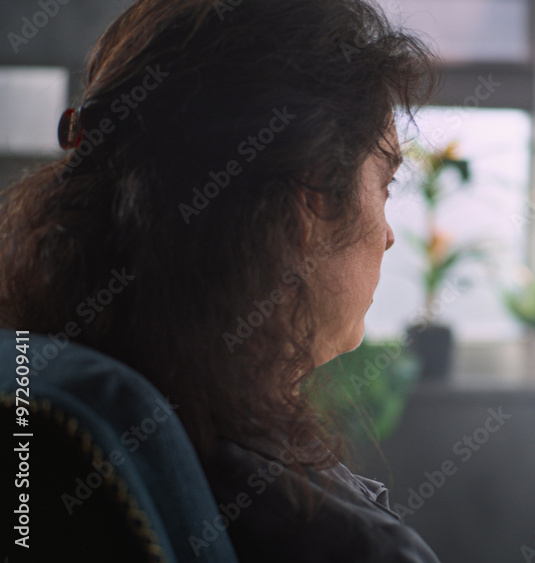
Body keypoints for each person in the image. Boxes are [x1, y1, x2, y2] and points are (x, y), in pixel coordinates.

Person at [0, 0, 441, 561]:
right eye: (385, 185)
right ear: (306, 201)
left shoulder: (42, 379)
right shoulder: (350, 547)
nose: (389, 235)